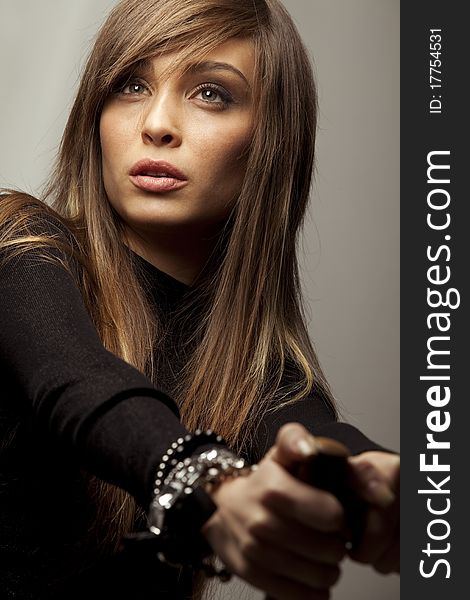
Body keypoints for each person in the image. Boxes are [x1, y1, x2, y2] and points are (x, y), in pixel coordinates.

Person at [0, 0, 399, 598]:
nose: (157, 123)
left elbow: (316, 437)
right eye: (131, 85)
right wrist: (205, 482)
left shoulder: (255, 366)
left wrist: (383, 487)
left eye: (211, 93)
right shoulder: (19, 240)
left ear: (271, 141)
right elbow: (74, 378)